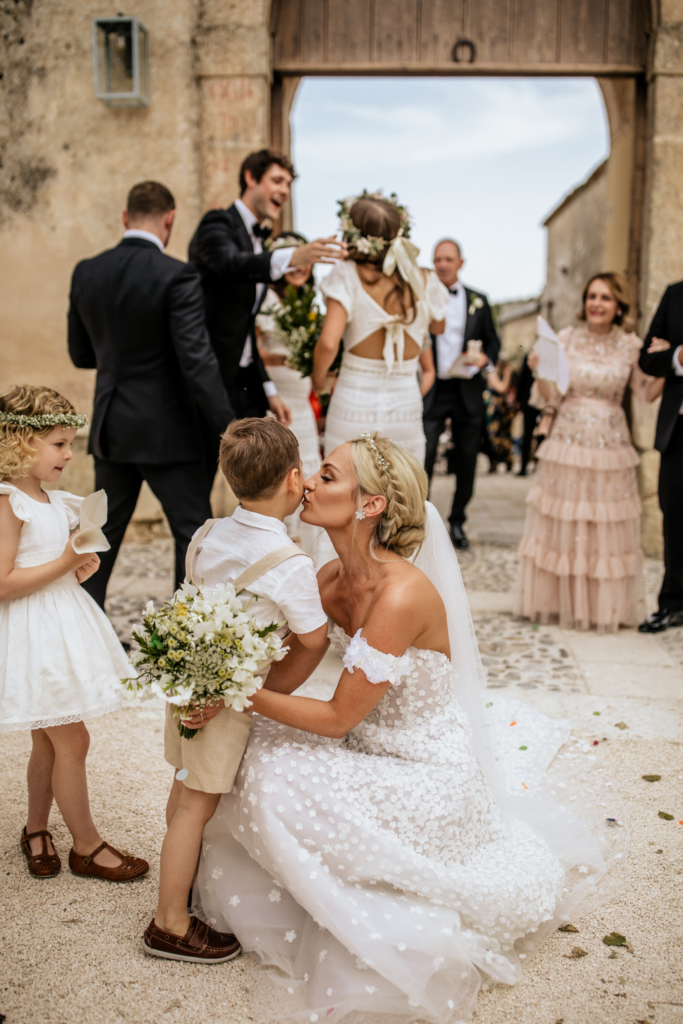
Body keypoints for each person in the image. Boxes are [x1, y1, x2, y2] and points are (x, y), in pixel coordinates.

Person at [192, 432, 624, 1023]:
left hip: (428, 773)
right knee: (250, 749)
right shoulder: (325, 580)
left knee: (271, 776)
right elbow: (286, 675)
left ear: (369, 506)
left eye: (326, 475)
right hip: (365, 744)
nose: (307, 483)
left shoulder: (400, 596)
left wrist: (239, 693)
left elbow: (338, 715)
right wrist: (214, 673)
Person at [143, 418, 329, 963]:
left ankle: (184, 888)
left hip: (187, 683)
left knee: (182, 792)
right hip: (224, 700)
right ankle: (170, 922)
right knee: (196, 806)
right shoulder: (291, 564)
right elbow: (314, 640)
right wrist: (269, 688)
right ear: (295, 480)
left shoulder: (207, 533)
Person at [0, 385, 148, 882]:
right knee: (74, 740)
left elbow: (46, 565)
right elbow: (2, 583)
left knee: (48, 741)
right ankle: (86, 846)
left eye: (69, 443)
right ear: (21, 442)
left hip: (59, 623)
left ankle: (36, 829)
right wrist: (63, 560)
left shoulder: (56, 501)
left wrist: (72, 569)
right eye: (58, 444)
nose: (69, 453)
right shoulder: (9, 502)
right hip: (33, 636)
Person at [68, 180, 233, 606]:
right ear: (170, 220)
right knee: (191, 536)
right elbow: (197, 361)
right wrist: (229, 426)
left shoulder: (87, 271)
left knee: (99, 536)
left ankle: (85, 633)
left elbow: (80, 354)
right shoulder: (178, 275)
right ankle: (186, 636)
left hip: (112, 428)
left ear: (125, 217)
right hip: (170, 433)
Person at [517, 273, 646, 632]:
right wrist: (538, 368)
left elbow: (647, 391)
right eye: (592, 296)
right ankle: (560, 602)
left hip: (610, 444)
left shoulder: (630, 346)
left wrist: (668, 359)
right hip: (568, 441)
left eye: (605, 297)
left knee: (603, 523)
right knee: (566, 520)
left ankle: (601, 606)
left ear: (618, 305)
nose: (597, 303)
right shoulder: (566, 339)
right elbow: (548, 394)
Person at [188, 149, 343, 440]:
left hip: (248, 387)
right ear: (250, 178)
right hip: (210, 382)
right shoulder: (217, 223)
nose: (284, 191)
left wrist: (269, 391)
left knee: (257, 479)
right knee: (200, 479)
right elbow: (230, 264)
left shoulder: (259, 240)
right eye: (277, 180)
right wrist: (295, 255)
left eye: (288, 184)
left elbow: (246, 329)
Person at [312, 191, 447, 463]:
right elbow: (438, 326)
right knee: (404, 495)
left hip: (353, 404)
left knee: (345, 495)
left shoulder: (347, 273)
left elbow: (328, 343)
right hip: (405, 408)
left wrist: (318, 381)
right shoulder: (425, 278)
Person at [423, 239, 501, 550]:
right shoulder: (423, 298)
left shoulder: (479, 301)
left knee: (467, 459)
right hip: (434, 388)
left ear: (460, 263)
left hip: (468, 388)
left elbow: (493, 343)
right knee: (424, 455)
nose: (442, 264)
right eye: (437, 259)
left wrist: (486, 360)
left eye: (448, 259)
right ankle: (422, 522)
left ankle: (457, 522)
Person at [638, 280, 683, 633]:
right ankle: (673, 604)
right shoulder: (675, 294)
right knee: (674, 515)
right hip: (678, 429)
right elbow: (648, 358)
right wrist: (677, 356)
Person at [483, 357, 516, 473]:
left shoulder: (510, 376)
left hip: (506, 411)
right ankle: (494, 462)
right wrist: (507, 375)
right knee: (495, 436)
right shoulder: (493, 374)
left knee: (506, 435)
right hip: (496, 410)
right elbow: (501, 388)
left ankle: (508, 461)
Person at [515, 350, 540, 476]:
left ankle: (526, 467)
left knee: (529, 435)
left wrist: (518, 399)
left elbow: (521, 378)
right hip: (531, 401)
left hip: (534, 400)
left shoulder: (530, 354)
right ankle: (534, 466)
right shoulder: (531, 355)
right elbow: (522, 377)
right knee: (537, 436)